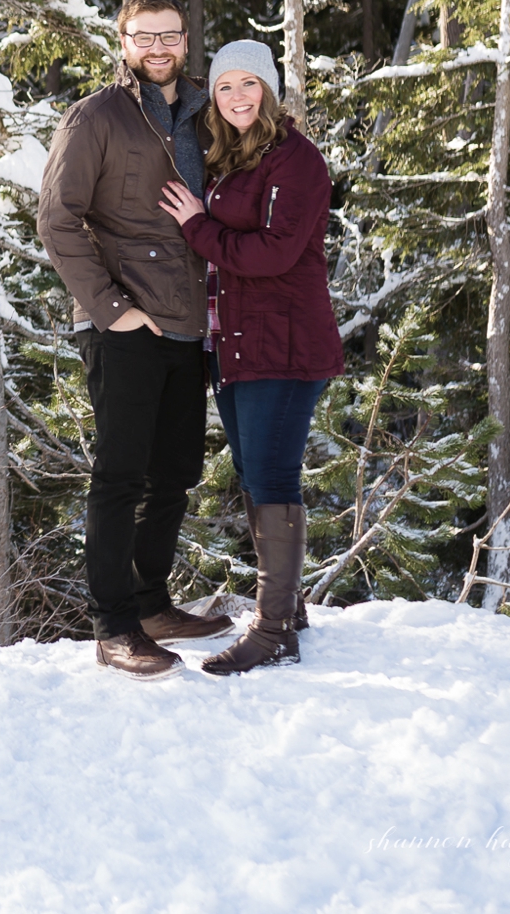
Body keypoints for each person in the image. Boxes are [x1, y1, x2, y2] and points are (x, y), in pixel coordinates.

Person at [37, 0, 236, 680]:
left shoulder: (207, 113)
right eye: (144, 36)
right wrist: (111, 308)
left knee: (175, 473)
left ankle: (152, 605)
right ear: (123, 43)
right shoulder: (95, 116)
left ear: (185, 39)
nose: (158, 48)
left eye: (169, 35)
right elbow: (57, 219)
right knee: (121, 473)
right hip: (123, 317)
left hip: (189, 319)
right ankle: (114, 626)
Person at [158, 39, 343, 675]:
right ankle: (287, 610)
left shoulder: (296, 160)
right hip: (235, 343)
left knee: (272, 477)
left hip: (284, 345)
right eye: (225, 86)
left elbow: (274, 254)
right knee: (255, 473)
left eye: (249, 84)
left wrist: (197, 226)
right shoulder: (232, 157)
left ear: (268, 90)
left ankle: (273, 633)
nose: (238, 96)